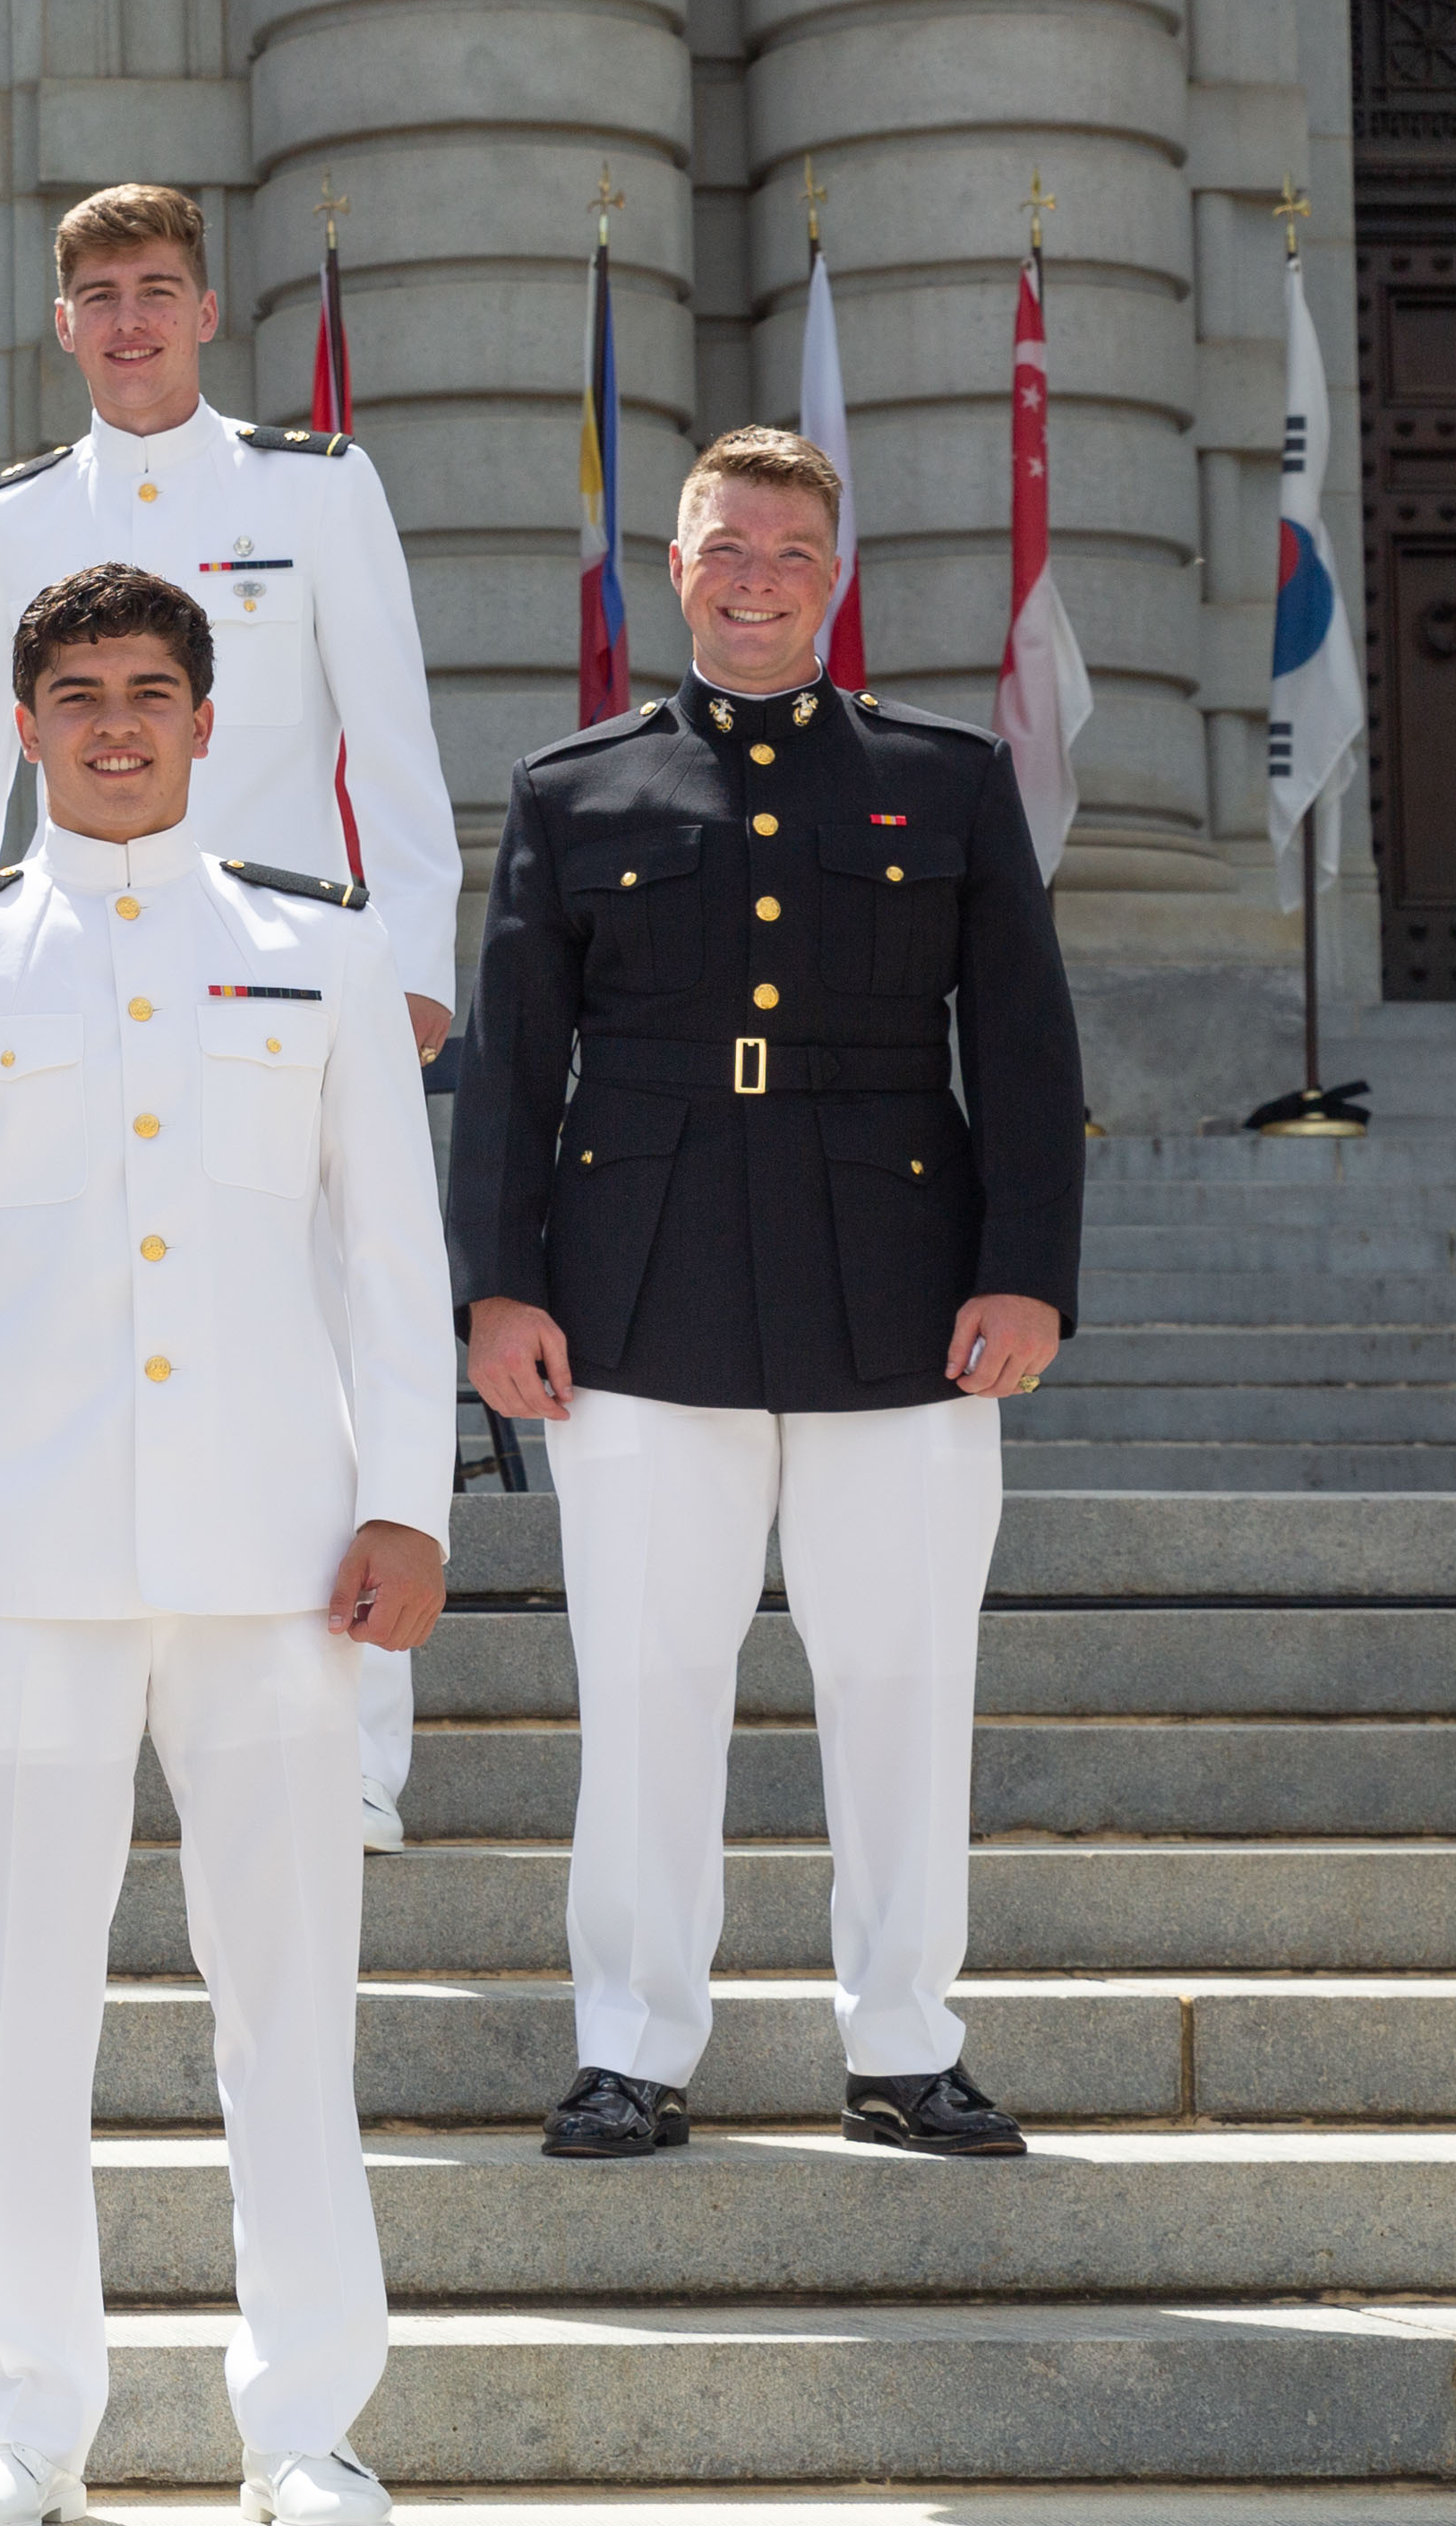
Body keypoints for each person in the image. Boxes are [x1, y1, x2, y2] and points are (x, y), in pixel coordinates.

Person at [0, 560, 452, 2526]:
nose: (114, 723)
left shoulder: (318, 949)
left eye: (151, 690)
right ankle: (16, 2412)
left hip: (275, 1546)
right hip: (11, 1552)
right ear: (20, 727)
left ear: (203, 717)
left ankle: (307, 2418)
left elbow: (385, 1257)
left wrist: (410, 1496)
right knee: (14, 1995)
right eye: (76, 691)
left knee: (290, 1994)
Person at [449, 425, 1082, 2169]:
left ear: (833, 576)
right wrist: (497, 1288)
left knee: (899, 1676)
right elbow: (512, 1065)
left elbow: (1022, 1052)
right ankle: (630, 2047)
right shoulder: (573, 789)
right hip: (637, 1294)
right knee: (646, 1684)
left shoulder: (941, 783)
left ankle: (901, 2039)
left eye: (787, 551)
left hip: (902, 1292)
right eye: (724, 547)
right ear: (676, 566)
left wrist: (1025, 1271)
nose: (753, 578)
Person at [0, 181, 462, 1857]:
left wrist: (419, 958)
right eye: (100, 296)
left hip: (280, 979)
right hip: (61, 977)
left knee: (329, 1340)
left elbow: (392, 732)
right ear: (61, 324)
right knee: (37, 1330)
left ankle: (351, 1747)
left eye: (159, 290)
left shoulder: (312, 487)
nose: (131, 321)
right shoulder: (9, 518)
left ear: (206, 313)